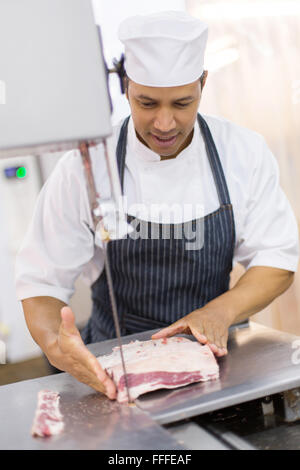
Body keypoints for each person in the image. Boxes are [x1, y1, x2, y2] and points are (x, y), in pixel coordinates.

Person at [15, 11, 299, 400]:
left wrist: (219, 313)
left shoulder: (242, 152)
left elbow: (277, 259)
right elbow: (41, 281)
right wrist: (57, 347)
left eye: (182, 103)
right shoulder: (86, 168)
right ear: (126, 88)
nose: (165, 123)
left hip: (217, 366)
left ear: (203, 83)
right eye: (147, 103)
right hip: (115, 376)